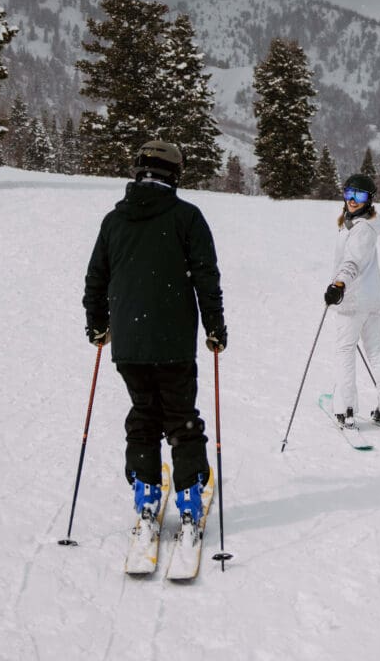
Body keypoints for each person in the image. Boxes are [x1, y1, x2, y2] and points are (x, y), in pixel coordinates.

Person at [82, 140, 227, 528]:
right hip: (175, 342)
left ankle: (145, 494)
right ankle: (189, 498)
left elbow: (96, 279)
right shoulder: (187, 217)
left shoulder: (115, 221)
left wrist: (97, 324)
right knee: (181, 418)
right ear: (175, 174)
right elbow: (206, 278)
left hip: (130, 343)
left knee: (144, 415)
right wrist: (215, 327)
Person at [323, 173, 380, 429]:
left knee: (345, 350)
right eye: (349, 194)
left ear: (370, 200)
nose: (353, 200)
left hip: (354, 300)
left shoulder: (362, 230)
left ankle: (345, 409)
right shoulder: (356, 225)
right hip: (371, 300)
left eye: (359, 196)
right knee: (376, 351)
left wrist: (339, 285)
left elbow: (352, 262)